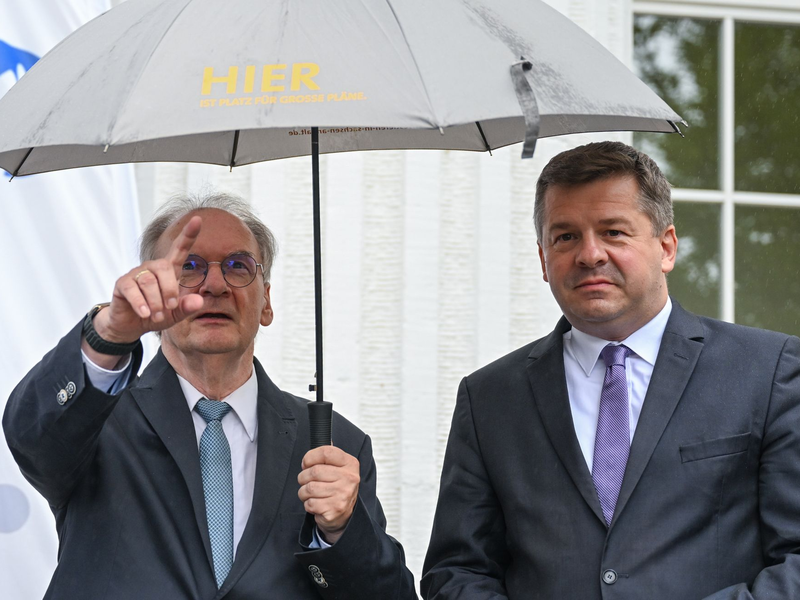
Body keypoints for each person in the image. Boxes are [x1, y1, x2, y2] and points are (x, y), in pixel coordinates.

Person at [421, 141, 800, 599]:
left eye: (613, 232)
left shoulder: (768, 372)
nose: (590, 254)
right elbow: (457, 573)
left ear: (666, 247)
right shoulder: (490, 399)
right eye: (565, 237)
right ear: (543, 260)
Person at [4, 192, 417, 600]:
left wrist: (342, 531)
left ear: (267, 303)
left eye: (238, 266)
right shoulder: (96, 418)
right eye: (190, 267)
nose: (216, 284)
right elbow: (28, 434)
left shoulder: (332, 444)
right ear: (153, 292)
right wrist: (109, 333)